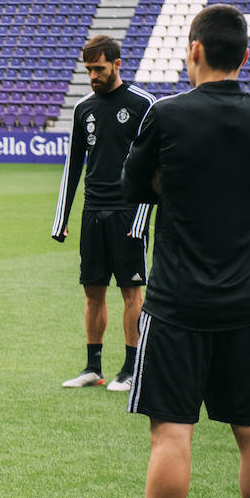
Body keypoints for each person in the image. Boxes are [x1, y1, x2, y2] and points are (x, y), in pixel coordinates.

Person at [98, 4, 250, 498]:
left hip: (177, 302)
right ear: (245, 56)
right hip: (245, 303)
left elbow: (133, 186)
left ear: (195, 51)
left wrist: (168, 181)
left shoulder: (169, 115)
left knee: (170, 434)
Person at [51, 35, 156, 392]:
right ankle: (93, 368)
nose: (93, 76)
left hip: (128, 212)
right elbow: (72, 166)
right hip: (93, 211)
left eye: (99, 68)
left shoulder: (143, 104)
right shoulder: (84, 109)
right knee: (92, 291)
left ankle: (130, 368)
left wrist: (143, 217)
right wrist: (61, 217)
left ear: (117, 64)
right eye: (89, 70)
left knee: (131, 291)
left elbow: (155, 166)